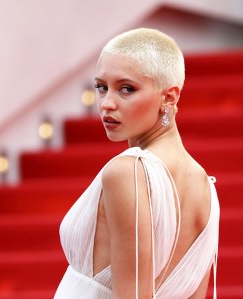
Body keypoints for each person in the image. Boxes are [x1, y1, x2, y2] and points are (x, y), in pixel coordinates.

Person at [54, 28, 220, 299]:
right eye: (101, 87)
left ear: (169, 97)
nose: (107, 103)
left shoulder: (126, 171)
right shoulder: (204, 185)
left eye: (126, 89)